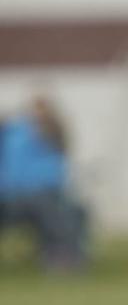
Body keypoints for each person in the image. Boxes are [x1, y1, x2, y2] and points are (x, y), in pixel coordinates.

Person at [0, 94, 89, 272]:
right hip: (10, 197)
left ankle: (63, 258)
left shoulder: (50, 132)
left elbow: (59, 137)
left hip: (45, 194)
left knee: (67, 213)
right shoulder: (13, 132)